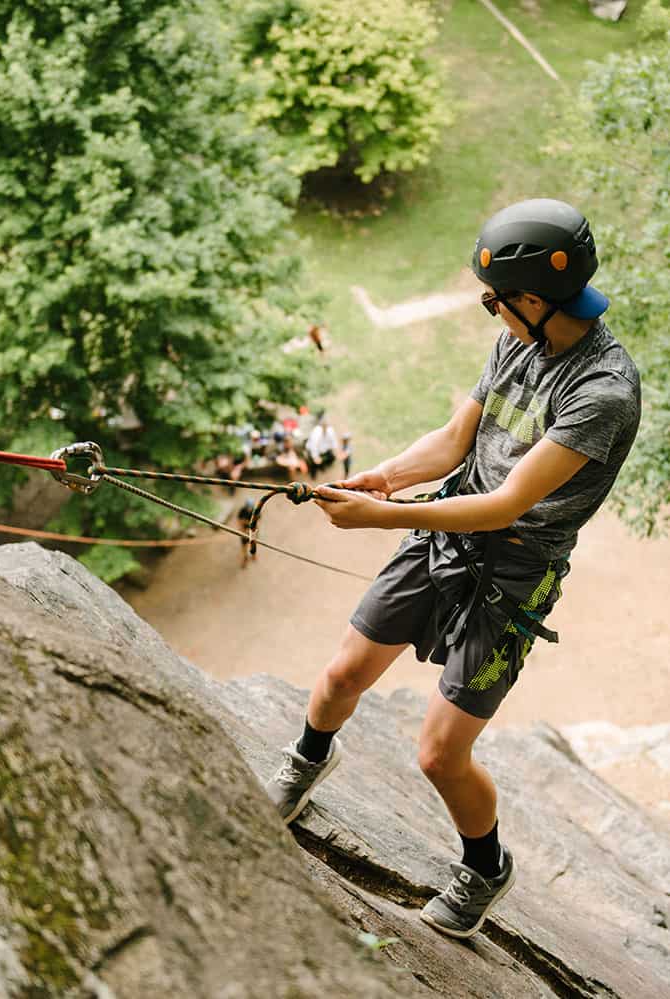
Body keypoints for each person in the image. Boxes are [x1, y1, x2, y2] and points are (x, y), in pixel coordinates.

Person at [264, 199, 641, 938]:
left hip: (515, 570)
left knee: (439, 752)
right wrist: (380, 480)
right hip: (448, 528)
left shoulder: (602, 392)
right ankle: (307, 759)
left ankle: (485, 867)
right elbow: (453, 441)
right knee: (343, 672)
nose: (489, 311)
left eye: (494, 299)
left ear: (533, 300)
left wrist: (384, 515)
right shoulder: (519, 343)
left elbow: (506, 504)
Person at [305, 413, 339, 478]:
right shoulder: (317, 431)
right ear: (321, 424)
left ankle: (322, 467)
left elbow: (333, 440)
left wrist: (335, 449)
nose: (325, 426)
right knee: (314, 464)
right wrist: (315, 457)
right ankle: (313, 474)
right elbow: (313, 445)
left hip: (324, 450)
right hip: (313, 450)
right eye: (324, 424)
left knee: (329, 458)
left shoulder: (330, 430)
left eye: (327, 424)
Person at [236, 497, 257, 568]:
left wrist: (252, 531)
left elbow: (257, 523)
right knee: (244, 547)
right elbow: (239, 520)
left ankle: (253, 555)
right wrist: (242, 529)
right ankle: (245, 558)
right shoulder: (242, 511)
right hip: (244, 532)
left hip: (252, 532)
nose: (249, 509)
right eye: (248, 507)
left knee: (253, 545)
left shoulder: (255, 511)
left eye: (250, 507)